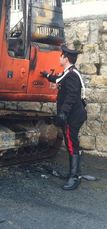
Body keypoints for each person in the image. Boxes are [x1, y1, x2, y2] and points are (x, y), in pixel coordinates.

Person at [41, 45, 87, 190]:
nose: (59, 58)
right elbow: (59, 79)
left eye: (61, 56)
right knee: (71, 142)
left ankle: (75, 177)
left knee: (71, 144)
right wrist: (47, 75)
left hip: (72, 116)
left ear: (66, 58)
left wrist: (64, 111)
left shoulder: (72, 74)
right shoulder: (68, 72)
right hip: (73, 115)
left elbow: (73, 95)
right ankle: (73, 173)